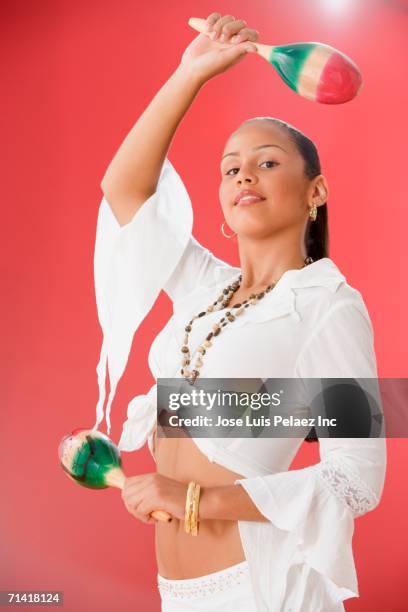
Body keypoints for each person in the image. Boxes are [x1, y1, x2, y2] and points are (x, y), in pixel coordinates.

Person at [92, 12, 387, 612]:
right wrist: (191, 74)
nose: (243, 173)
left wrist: (193, 498)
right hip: (177, 590)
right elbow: (125, 191)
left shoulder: (330, 306)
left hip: (259, 587)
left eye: (268, 161)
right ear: (223, 202)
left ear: (316, 192)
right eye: (230, 167)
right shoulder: (205, 288)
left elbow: (356, 476)